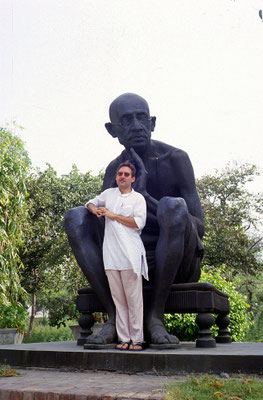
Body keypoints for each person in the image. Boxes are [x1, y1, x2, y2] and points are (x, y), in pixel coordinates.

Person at [65, 92, 204, 346]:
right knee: (75, 217)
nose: (137, 126)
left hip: (175, 260)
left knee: (173, 206)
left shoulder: (176, 160)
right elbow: (103, 222)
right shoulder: (114, 171)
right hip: (126, 260)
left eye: (142, 118)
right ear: (112, 130)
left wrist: (146, 197)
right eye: (127, 120)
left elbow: (199, 227)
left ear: (152, 123)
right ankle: (115, 316)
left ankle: (154, 318)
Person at [85, 161, 148, 351]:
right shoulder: (109, 194)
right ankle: (124, 338)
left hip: (131, 254)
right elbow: (90, 202)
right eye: (120, 173)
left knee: (133, 300)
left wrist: (113, 215)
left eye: (126, 174)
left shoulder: (138, 199)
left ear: (133, 178)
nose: (122, 176)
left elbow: (138, 223)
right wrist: (94, 210)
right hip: (111, 255)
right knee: (119, 300)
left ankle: (137, 338)